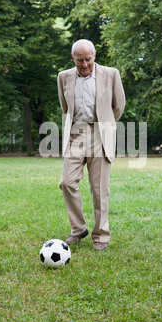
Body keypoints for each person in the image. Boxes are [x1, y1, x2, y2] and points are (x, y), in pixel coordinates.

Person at [57, 39, 125, 251]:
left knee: (99, 190)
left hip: (99, 133)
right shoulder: (63, 77)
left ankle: (101, 236)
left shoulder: (111, 74)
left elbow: (118, 105)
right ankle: (78, 229)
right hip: (75, 134)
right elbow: (65, 106)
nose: (84, 64)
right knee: (67, 182)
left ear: (95, 55)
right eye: (80, 60)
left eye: (88, 59)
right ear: (73, 58)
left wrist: (104, 126)